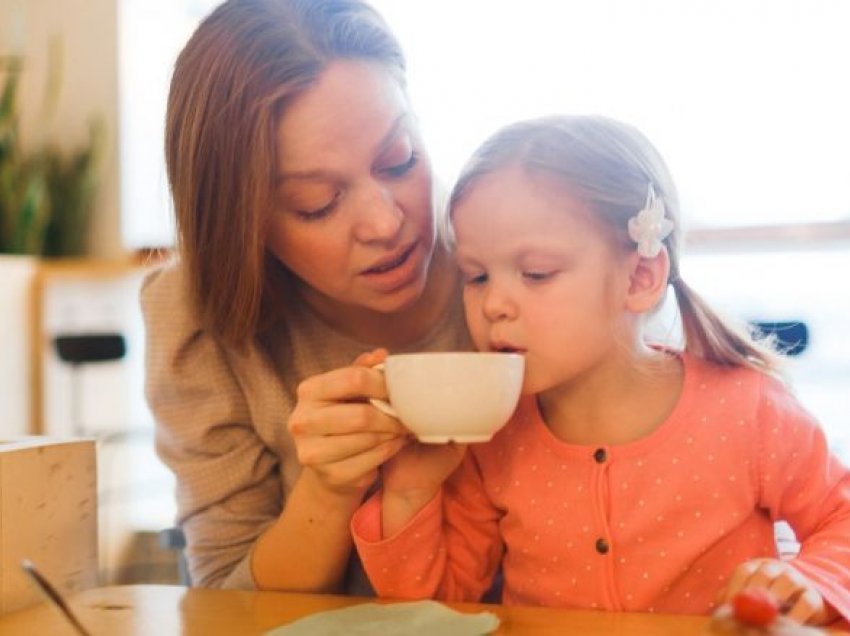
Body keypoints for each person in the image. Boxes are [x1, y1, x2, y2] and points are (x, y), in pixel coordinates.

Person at [351, 115, 850, 626]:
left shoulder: (750, 410)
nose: (493, 303)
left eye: (536, 273)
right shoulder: (491, 436)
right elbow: (437, 605)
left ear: (639, 277)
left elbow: (843, 517)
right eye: (476, 276)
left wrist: (808, 579)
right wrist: (410, 490)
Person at [142, 0, 472, 592]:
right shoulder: (195, 321)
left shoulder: (519, 253)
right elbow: (225, 602)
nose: (383, 222)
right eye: (317, 202)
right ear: (243, 225)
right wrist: (328, 489)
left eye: (400, 160)